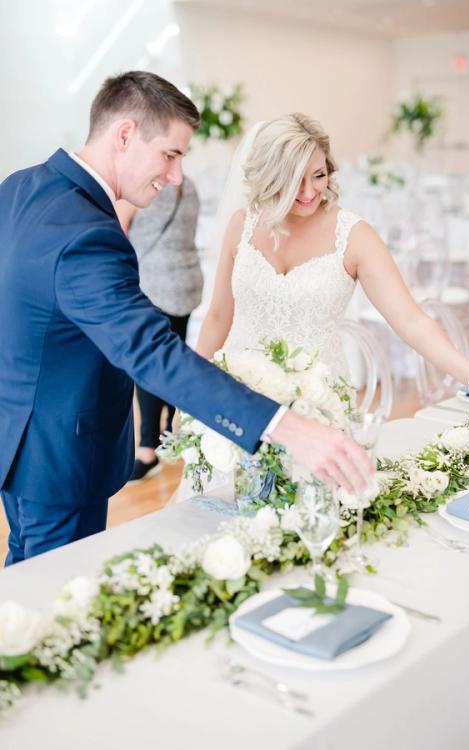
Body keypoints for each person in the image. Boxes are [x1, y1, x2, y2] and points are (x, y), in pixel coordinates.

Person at [0, 74, 371, 566]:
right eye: (170, 155)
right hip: (59, 460)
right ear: (125, 134)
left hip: (19, 439)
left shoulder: (21, 186)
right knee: (52, 602)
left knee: (24, 581)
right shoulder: (85, 235)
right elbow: (153, 353)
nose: (175, 176)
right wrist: (291, 429)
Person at [197, 114, 469, 401]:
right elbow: (218, 317)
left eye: (318, 176)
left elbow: (411, 321)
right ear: (271, 177)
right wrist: (190, 394)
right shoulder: (242, 224)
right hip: (238, 393)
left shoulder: (354, 236)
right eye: (294, 180)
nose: (308, 192)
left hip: (316, 403)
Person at [116, 177, 203, 482]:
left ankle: (147, 449)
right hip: (188, 283)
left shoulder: (138, 189)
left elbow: (116, 238)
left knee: (149, 363)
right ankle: (169, 429)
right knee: (173, 354)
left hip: (154, 285)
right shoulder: (189, 186)